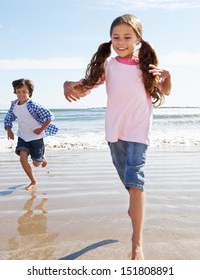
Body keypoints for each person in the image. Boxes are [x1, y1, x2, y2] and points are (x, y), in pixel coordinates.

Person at [63, 14, 171, 260]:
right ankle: (135, 208)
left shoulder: (146, 67)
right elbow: (84, 88)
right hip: (114, 132)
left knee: (136, 185)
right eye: (116, 37)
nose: (121, 42)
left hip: (139, 132)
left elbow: (164, 90)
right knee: (129, 184)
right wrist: (68, 84)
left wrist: (168, 76)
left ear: (138, 39)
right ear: (110, 39)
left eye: (127, 37)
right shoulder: (108, 66)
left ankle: (137, 244)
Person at [4, 78, 58, 190]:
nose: (21, 94)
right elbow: (8, 118)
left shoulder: (33, 105)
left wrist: (41, 129)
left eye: (24, 91)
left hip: (36, 137)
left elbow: (50, 117)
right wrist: (9, 130)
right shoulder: (14, 105)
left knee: (36, 163)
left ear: (30, 92)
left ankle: (42, 158)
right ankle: (33, 181)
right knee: (22, 159)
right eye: (18, 92)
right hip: (23, 136)